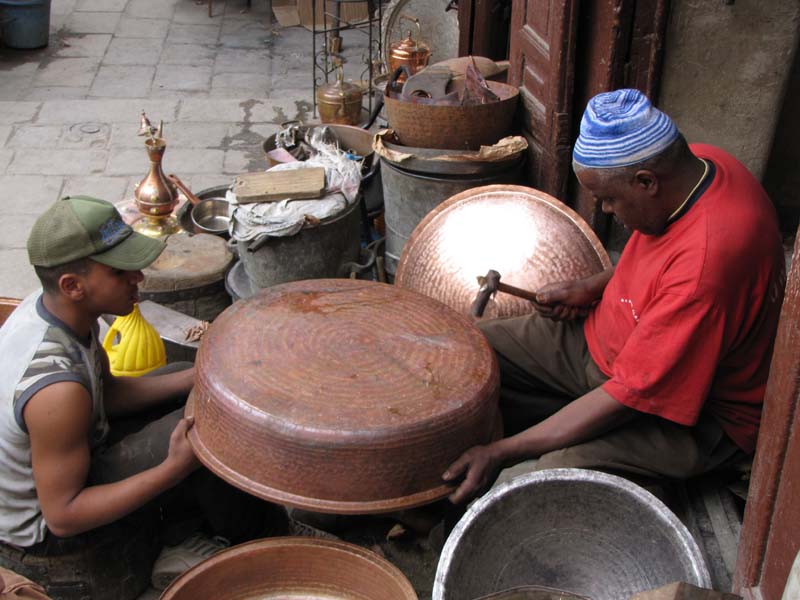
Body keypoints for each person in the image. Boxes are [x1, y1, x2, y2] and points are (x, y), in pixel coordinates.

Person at [443, 89, 786, 504]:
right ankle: (560, 424)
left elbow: (629, 395)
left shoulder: (707, 268)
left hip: (699, 415)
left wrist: (502, 452)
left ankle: (650, 484)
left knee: (550, 477)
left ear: (646, 182)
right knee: (468, 351)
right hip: (608, 342)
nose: (605, 209)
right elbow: (664, 259)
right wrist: (592, 286)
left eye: (609, 198)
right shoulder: (700, 163)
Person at [0, 196, 290, 594]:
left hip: (72, 459)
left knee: (182, 378)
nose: (138, 276)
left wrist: (205, 373)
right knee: (208, 431)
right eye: (120, 272)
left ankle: (200, 524)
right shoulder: (56, 388)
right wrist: (173, 468)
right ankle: (260, 548)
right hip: (49, 536)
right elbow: (63, 516)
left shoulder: (54, 309)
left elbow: (111, 395)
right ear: (73, 285)